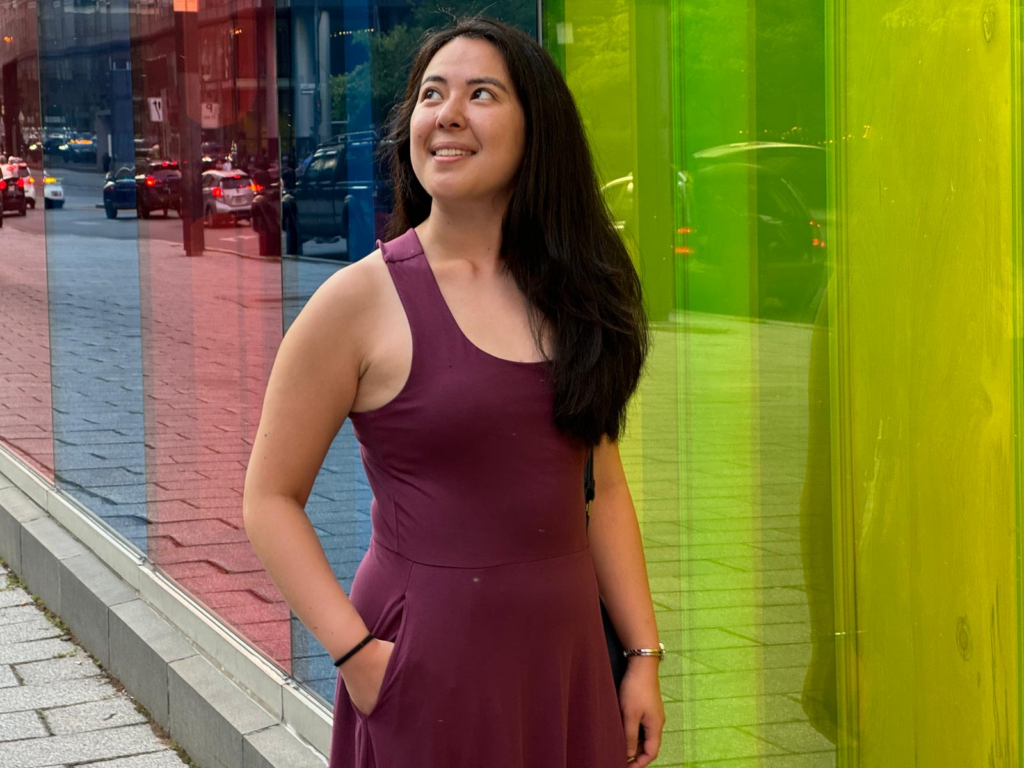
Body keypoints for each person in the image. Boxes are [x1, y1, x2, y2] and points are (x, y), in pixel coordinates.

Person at [242, 16, 665, 768]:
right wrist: (360, 659)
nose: (449, 114)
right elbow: (269, 499)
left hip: (566, 661)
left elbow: (602, 491)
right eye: (433, 94)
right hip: (424, 668)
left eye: (482, 94)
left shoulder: (573, 298)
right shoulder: (358, 301)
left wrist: (641, 657)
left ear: (539, 131)